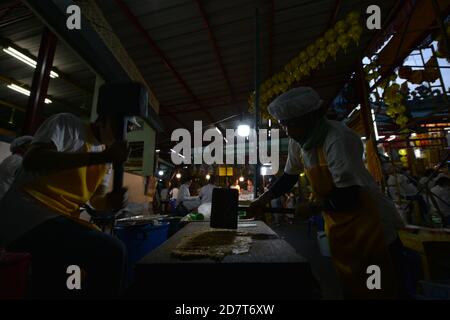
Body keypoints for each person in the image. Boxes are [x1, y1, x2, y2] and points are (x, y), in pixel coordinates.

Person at [248, 87, 405, 299]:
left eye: (291, 124)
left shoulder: (338, 138)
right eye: (283, 125)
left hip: (371, 226)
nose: (287, 131)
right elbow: (289, 177)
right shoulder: (299, 143)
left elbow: (349, 194)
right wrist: (264, 198)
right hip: (341, 225)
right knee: (352, 282)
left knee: (376, 286)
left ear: (312, 117)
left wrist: (312, 206)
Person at [0, 112, 130, 298]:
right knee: (112, 252)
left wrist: (111, 201)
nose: (123, 132)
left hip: (60, 220)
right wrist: (102, 157)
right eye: (119, 124)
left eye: (129, 128)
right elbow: (33, 159)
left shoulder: (105, 156)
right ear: (102, 119)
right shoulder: (68, 125)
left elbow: (96, 200)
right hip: (29, 213)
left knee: (56, 283)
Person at [0, 135, 33, 200]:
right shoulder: (16, 159)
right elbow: (24, 178)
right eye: (30, 146)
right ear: (23, 147)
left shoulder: (14, 159)